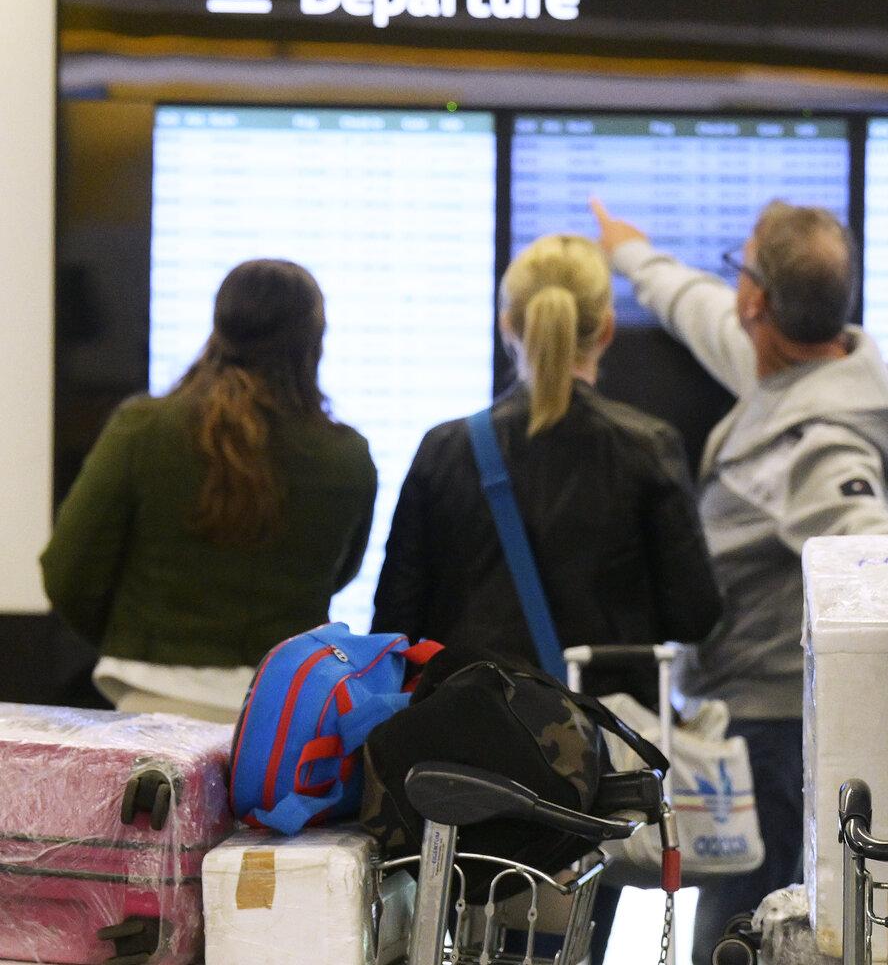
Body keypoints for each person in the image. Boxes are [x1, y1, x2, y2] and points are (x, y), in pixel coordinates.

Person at [591, 198, 888, 965]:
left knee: (739, 939)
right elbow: (701, 311)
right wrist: (633, 254)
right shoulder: (811, 371)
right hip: (755, 720)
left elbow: (880, 562)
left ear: (757, 301)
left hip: (777, 736)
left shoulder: (819, 443)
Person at [372, 232, 722, 700]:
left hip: (467, 727)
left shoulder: (444, 450)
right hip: (606, 732)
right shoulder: (648, 448)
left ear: (507, 326)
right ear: (607, 329)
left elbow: (393, 627)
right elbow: (695, 616)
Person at [41, 259, 377, 724]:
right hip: (280, 711)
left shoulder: (142, 428)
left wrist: (133, 634)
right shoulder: (347, 455)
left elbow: (67, 571)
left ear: (220, 328)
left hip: (151, 698)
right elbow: (341, 571)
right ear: (314, 341)